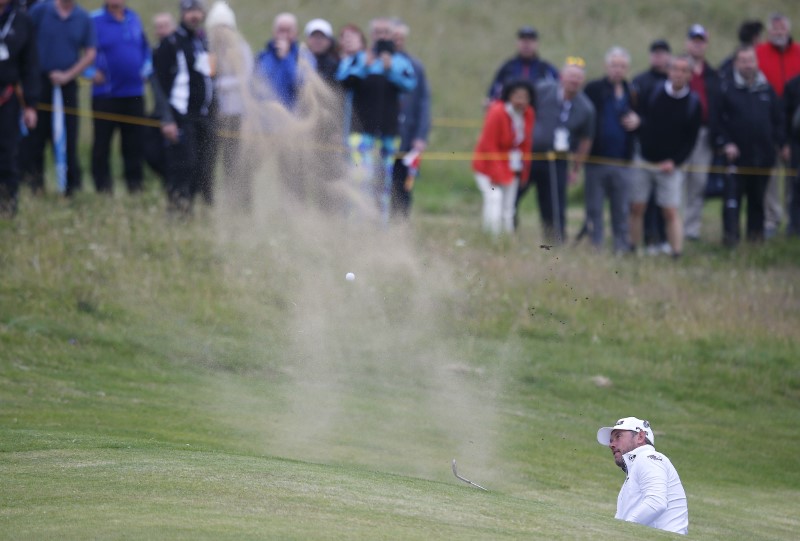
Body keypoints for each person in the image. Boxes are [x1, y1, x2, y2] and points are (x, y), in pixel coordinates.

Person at [336, 17, 416, 223]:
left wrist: (391, 70)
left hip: (388, 133)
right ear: (371, 35)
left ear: (392, 36)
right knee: (360, 178)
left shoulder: (400, 62)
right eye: (377, 32)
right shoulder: (358, 59)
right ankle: (356, 224)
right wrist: (364, 67)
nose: (381, 36)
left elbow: (410, 84)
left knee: (384, 182)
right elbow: (342, 80)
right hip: (360, 131)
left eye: (385, 33)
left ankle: (379, 225)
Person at [630, 54, 702, 258]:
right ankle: (633, 249)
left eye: (683, 70)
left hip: (671, 166)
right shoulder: (653, 92)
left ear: (690, 75)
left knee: (670, 211)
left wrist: (675, 162)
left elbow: (691, 141)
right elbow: (640, 119)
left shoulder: (693, 103)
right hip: (644, 160)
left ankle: (676, 253)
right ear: (668, 71)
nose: (678, 74)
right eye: (675, 69)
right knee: (637, 207)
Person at [22, 0, 96, 196]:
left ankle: (71, 188)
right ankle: (35, 186)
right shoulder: (40, 10)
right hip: (39, 82)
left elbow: (90, 53)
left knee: (69, 136)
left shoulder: (82, 17)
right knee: (36, 136)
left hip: (67, 85)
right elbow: (25, 40)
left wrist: (68, 75)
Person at [714, 46, 785, 246]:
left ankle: (755, 239)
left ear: (756, 62)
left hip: (762, 157)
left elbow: (778, 119)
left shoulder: (766, 88)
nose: (747, 65)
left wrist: (779, 143)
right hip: (735, 158)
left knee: (757, 202)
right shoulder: (726, 88)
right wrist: (726, 143)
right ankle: (731, 240)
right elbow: (716, 121)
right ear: (736, 63)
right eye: (743, 61)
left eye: (750, 60)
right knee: (732, 202)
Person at [521, 57, 594, 244]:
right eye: (570, 76)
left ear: (582, 81)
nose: (574, 81)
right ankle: (506, 232)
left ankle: (554, 244)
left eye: (578, 78)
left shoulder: (586, 108)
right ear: (561, 77)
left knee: (554, 206)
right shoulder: (543, 90)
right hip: (531, 156)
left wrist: (576, 169)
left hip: (558, 161)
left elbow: (586, 141)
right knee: (514, 195)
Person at [153, 0, 215, 215]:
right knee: (182, 165)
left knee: (201, 167)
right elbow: (158, 84)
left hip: (202, 116)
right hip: (180, 116)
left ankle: (192, 209)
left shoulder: (203, 42)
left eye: (197, 11)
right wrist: (166, 119)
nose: (194, 16)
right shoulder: (170, 43)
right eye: (189, 11)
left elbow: (210, 77)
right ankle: (177, 211)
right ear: (182, 14)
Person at [89, 0, 150, 195]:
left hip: (134, 94)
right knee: (102, 145)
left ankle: (135, 187)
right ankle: (103, 189)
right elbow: (77, 48)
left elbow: (145, 48)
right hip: (106, 95)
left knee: (134, 145)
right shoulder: (94, 20)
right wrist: (90, 72)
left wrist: (146, 69)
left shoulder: (134, 18)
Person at [583, 47, 640, 253]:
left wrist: (639, 121)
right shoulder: (593, 89)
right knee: (594, 208)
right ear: (607, 66)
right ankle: (596, 248)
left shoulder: (633, 92)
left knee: (621, 209)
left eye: (622, 66)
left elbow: (646, 118)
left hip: (623, 161)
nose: (618, 69)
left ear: (627, 68)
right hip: (596, 161)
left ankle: (621, 248)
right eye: (614, 65)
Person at [596, 417, 689, 535]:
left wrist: (622, 529)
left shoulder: (648, 458)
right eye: (611, 440)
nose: (611, 444)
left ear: (640, 437)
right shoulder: (638, 465)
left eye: (618, 436)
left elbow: (656, 502)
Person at [205, 0, 253, 210]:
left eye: (224, 27)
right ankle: (216, 202)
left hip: (237, 115)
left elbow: (246, 77)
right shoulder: (210, 50)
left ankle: (242, 204)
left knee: (236, 162)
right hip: (215, 115)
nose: (220, 32)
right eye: (217, 27)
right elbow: (208, 77)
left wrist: (221, 85)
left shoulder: (242, 49)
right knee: (214, 161)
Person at [756, 13, 800, 237]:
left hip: (794, 124)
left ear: (788, 30)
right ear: (769, 32)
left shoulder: (798, 52)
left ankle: (795, 222)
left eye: (782, 28)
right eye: (774, 29)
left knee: (795, 179)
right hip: (768, 119)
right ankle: (772, 220)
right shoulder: (759, 52)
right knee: (771, 177)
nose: (779, 32)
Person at [472, 80, 535, 235]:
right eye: (517, 96)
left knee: (509, 206)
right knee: (494, 197)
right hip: (487, 166)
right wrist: (495, 173)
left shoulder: (529, 114)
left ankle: (507, 239)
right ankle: (491, 236)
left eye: (524, 97)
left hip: (511, 166)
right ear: (509, 96)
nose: (520, 101)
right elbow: (488, 145)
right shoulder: (497, 112)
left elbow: (526, 143)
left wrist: (525, 171)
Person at [0, 0, 39, 217]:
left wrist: (31, 106)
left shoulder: (22, 20)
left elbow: (30, 64)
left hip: (7, 98)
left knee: (7, 153)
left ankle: (7, 208)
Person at [632, 40, 671, 255]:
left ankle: (665, 239)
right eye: (655, 53)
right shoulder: (640, 81)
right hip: (645, 148)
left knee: (665, 201)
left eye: (662, 53)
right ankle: (649, 240)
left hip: (668, 150)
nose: (658, 57)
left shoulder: (674, 81)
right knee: (643, 200)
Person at [683, 24, 721, 242]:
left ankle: (691, 228)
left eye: (701, 41)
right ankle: (674, 224)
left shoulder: (712, 73)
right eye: (693, 40)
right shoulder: (678, 68)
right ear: (687, 43)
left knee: (698, 181)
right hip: (681, 133)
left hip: (704, 134)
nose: (697, 44)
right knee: (678, 179)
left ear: (705, 44)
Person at [390, 19, 431, 220]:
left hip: (408, 137)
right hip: (385, 136)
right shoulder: (379, 63)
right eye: (393, 37)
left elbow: (424, 102)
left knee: (404, 186)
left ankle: (401, 225)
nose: (396, 41)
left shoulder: (415, 66)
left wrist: (421, 135)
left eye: (400, 37)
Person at [253, 12, 314, 110]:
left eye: (288, 31)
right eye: (280, 30)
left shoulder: (304, 57)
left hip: (292, 117)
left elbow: (302, 85)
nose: (284, 35)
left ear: (296, 33)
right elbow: (254, 86)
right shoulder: (262, 57)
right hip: (265, 117)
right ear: (274, 32)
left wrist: (286, 58)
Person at [486, 25, 558, 104]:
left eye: (530, 41)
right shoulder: (507, 67)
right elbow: (493, 93)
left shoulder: (546, 69)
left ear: (537, 44)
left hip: (538, 112)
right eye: (523, 41)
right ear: (517, 43)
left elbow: (558, 91)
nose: (526, 45)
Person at [784, 73, 800, 236]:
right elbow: (786, 118)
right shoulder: (794, 85)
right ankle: (795, 227)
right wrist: (785, 143)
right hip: (797, 145)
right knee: (795, 188)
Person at [304, 18, 338, 87]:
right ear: (308, 39)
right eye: (314, 36)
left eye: (322, 37)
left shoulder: (335, 65)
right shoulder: (299, 60)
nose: (318, 41)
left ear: (329, 41)